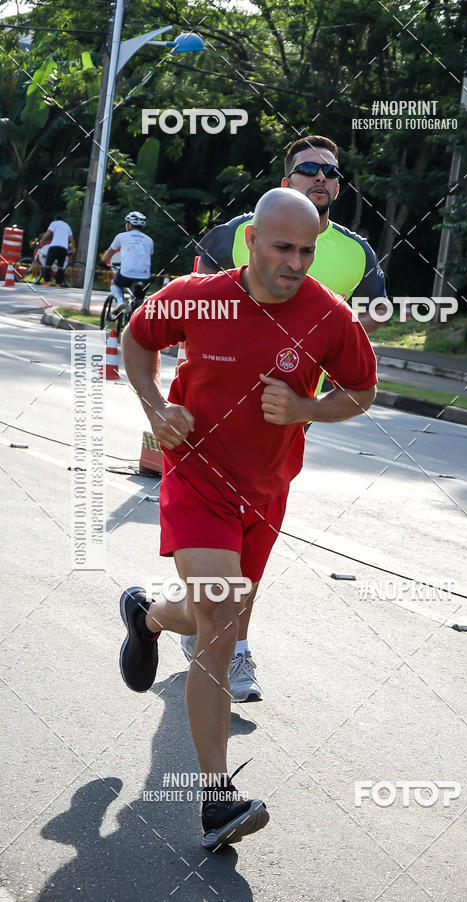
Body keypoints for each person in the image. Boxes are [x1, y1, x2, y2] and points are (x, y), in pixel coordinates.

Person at [120, 188, 377, 849]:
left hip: (265, 493)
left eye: (307, 251)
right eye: (284, 247)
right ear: (252, 242)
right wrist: (156, 408)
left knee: (210, 613)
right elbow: (136, 339)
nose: (296, 263)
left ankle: (147, 617)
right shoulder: (197, 297)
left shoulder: (329, 315)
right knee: (223, 617)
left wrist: (307, 410)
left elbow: (361, 390)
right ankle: (216, 799)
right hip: (197, 478)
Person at [185, 135, 387, 697]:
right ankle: (226, 641)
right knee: (220, 539)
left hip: (285, 419)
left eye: (331, 172)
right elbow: (191, 302)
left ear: (338, 188)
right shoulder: (234, 234)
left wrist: (320, 349)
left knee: (252, 541)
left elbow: (371, 318)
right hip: (210, 416)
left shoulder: (355, 253)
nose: (321, 177)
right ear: (285, 179)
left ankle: (204, 630)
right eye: (309, 169)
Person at [102, 211, 154, 314]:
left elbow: (110, 251)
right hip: (145, 276)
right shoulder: (149, 240)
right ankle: (137, 315)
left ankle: (120, 302)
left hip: (127, 273)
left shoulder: (121, 236)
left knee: (115, 283)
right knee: (139, 300)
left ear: (129, 225)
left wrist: (102, 262)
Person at [39, 215, 76, 286]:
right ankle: (58, 283)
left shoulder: (54, 223)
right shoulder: (67, 226)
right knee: (60, 266)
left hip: (54, 247)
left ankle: (47, 281)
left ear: (55, 219)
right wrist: (73, 249)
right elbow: (71, 239)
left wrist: (41, 242)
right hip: (64, 248)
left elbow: (47, 234)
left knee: (48, 264)